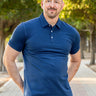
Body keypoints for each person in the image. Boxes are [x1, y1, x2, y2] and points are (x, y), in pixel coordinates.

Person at [3, 0, 81, 96]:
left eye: (56, 2)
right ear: (42, 4)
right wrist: (23, 87)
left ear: (62, 5)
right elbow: (8, 59)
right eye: (48, 1)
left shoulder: (72, 33)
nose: (52, 5)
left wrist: (64, 82)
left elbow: (76, 61)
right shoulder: (24, 29)